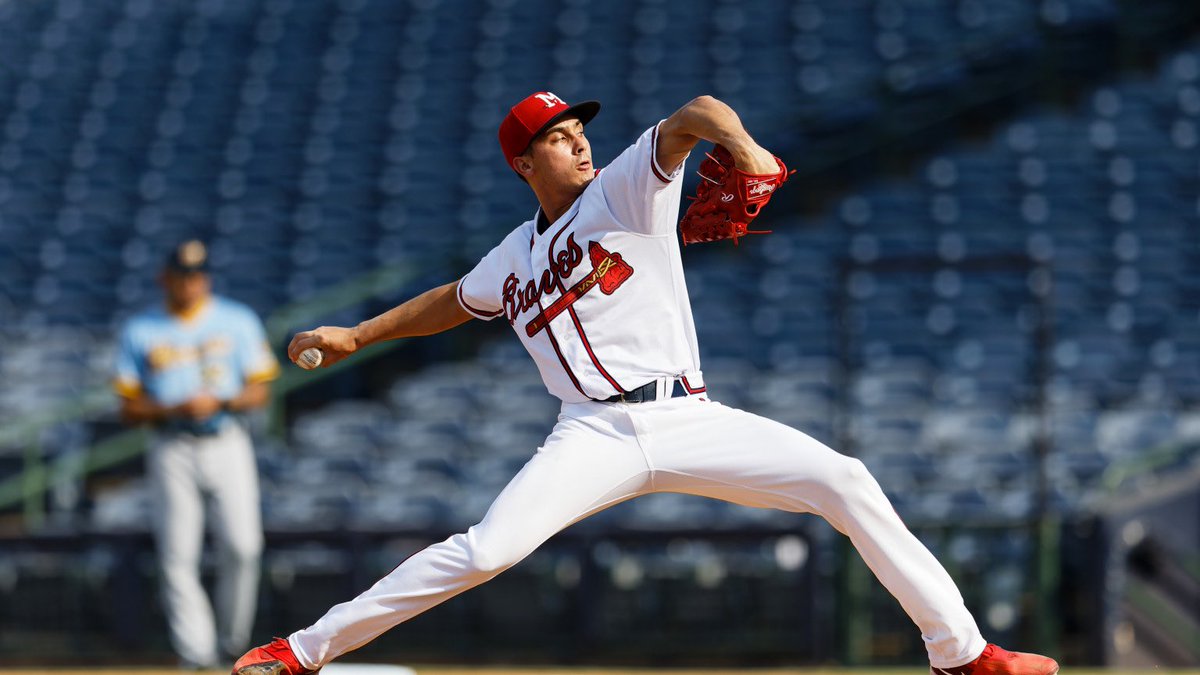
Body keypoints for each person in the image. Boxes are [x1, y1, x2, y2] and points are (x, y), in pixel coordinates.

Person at [233, 93, 1058, 675]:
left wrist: (744, 150)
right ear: (523, 163)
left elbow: (696, 113)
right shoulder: (512, 255)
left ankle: (963, 655)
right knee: (487, 549)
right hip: (587, 432)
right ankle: (299, 651)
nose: (578, 142)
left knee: (845, 479)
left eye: (577, 129)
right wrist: (356, 333)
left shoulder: (626, 189)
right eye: (556, 138)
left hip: (688, 413)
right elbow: (452, 300)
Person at [113, 239, 279, 669]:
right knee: (177, 555)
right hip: (171, 443)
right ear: (163, 277)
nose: (192, 282)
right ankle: (197, 655)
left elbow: (260, 390)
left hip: (227, 438)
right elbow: (128, 406)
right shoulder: (141, 328)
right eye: (183, 274)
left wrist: (219, 403)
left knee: (244, 547)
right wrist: (174, 407)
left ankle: (231, 641)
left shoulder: (236, 320)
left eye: (198, 274)